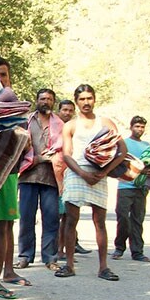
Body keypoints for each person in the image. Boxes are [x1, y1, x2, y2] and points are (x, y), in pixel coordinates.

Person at [55, 84, 126, 280]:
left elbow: (122, 151)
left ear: (95, 99)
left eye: (89, 98)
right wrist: (81, 173)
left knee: (99, 221)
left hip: (98, 172)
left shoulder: (106, 123)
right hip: (77, 172)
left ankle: (103, 267)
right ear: (76, 101)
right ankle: (69, 265)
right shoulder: (70, 125)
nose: (86, 102)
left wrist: (104, 172)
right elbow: (67, 155)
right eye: (82, 99)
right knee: (71, 219)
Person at [0, 57, 30, 298]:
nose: (0, 80)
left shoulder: (16, 108)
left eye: (3, 75)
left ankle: (1, 276)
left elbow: (23, 139)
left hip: (8, 173)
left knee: (4, 226)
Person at [17, 89, 63, 271]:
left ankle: (50, 258)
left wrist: (52, 158)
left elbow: (64, 149)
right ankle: (24, 256)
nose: (46, 101)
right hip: (28, 176)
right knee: (26, 218)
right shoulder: (26, 120)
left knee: (51, 219)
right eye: (42, 98)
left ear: (54, 102)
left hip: (50, 177)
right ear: (37, 100)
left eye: (49, 99)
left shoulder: (59, 124)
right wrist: (35, 159)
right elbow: (18, 144)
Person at [111, 116, 150, 262]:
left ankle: (137, 252)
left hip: (141, 188)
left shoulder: (147, 146)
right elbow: (120, 163)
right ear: (131, 127)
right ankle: (119, 248)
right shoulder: (124, 143)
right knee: (123, 218)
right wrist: (141, 170)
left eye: (142, 127)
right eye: (137, 126)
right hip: (125, 186)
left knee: (137, 220)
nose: (140, 129)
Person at [56, 99, 91, 259]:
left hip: (71, 176)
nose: (67, 113)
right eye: (64, 110)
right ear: (59, 110)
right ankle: (57, 250)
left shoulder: (76, 129)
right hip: (55, 176)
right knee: (56, 216)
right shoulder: (55, 127)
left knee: (69, 216)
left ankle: (69, 246)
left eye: (70, 110)